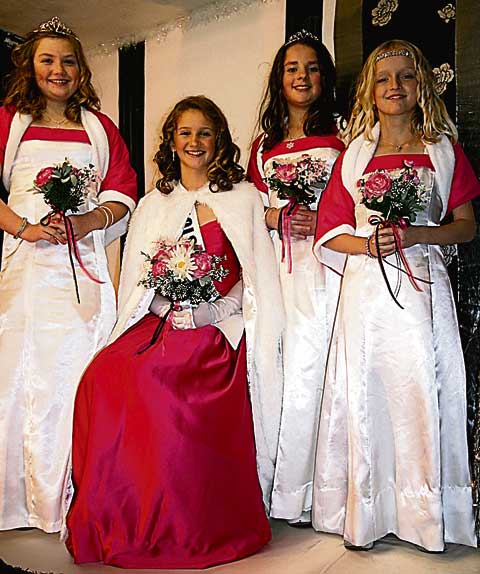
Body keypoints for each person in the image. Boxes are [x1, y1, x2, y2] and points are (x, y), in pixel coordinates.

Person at [65, 95, 284, 569]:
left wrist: (215, 310)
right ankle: (125, 511)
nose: (194, 142)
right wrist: (163, 305)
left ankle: (184, 518)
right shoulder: (153, 203)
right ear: (171, 142)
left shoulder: (244, 197)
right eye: (185, 133)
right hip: (161, 318)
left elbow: (255, 272)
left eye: (204, 132)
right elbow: (141, 277)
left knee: (156, 381)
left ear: (219, 140)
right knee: (104, 374)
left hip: (219, 326)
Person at [312, 39, 479, 552]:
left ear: (421, 85)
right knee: (367, 395)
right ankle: (368, 512)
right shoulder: (353, 157)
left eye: (406, 76)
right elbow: (329, 233)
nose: (394, 86)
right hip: (366, 294)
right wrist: (369, 243)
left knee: (421, 391)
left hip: (423, 289)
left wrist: (418, 234)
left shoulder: (443, 151)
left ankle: (426, 516)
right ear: (369, 90)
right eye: (383, 78)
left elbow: (466, 227)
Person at [0, 17, 137, 533]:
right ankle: (19, 499)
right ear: (30, 67)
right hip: (28, 268)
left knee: (80, 372)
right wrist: (25, 228)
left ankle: (76, 496)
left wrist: (87, 221)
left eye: (69, 61)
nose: (59, 70)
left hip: (84, 271)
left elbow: (123, 192)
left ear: (81, 69)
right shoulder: (8, 121)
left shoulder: (100, 128)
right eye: (47, 60)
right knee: (21, 373)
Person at [247, 30, 344, 526]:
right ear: (279, 79)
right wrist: (276, 216)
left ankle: (311, 493)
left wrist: (319, 217)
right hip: (275, 269)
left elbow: (355, 205)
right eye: (291, 68)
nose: (301, 76)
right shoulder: (262, 146)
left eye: (311, 68)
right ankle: (274, 487)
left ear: (324, 77)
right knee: (274, 369)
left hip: (324, 270)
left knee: (314, 369)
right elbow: (248, 208)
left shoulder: (345, 136)